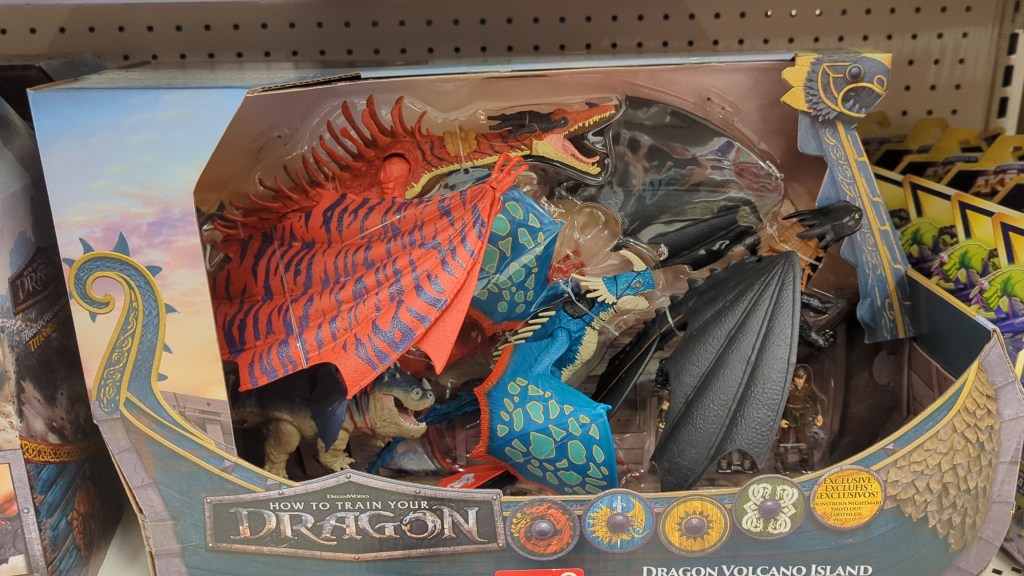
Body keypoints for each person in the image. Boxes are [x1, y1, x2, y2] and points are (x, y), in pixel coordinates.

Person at [775, 365, 823, 473]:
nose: (800, 381)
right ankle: (780, 462)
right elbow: (779, 404)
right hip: (788, 416)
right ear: (794, 378)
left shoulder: (807, 388)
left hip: (801, 418)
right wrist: (780, 419)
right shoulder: (788, 389)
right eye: (797, 378)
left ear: (805, 377)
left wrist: (819, 414)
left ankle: (805, 462)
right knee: (784, 439)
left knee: (802, 439)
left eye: (802, 378)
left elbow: (817, 400)